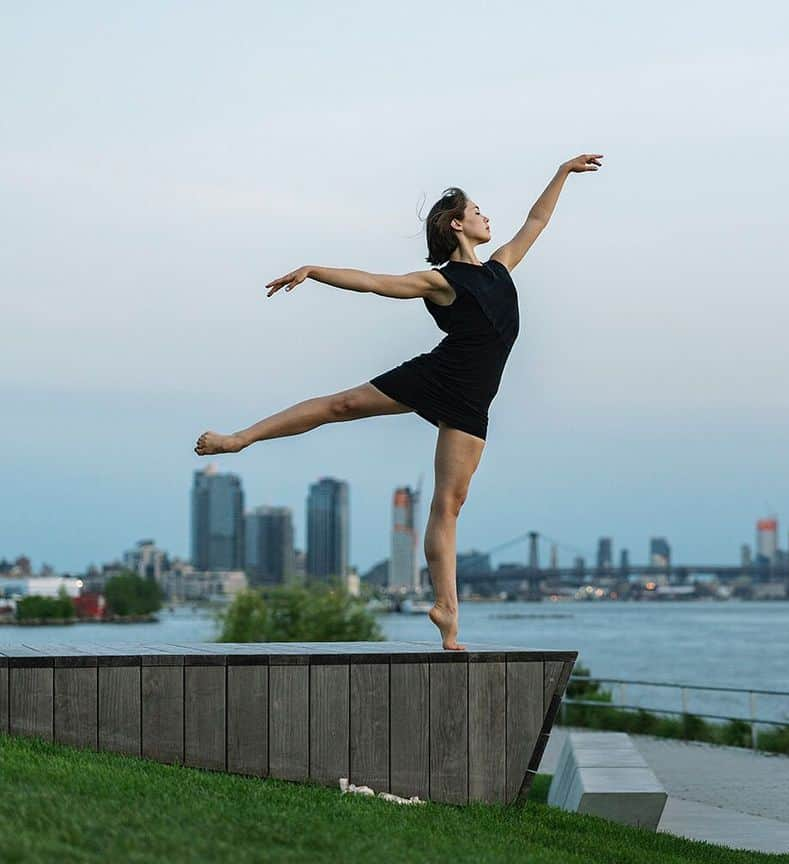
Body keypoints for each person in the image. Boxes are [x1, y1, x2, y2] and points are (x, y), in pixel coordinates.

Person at [194, 153, 604, 649]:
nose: (487, 217)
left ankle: (447, 614)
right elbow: (373, 283)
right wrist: (315, 270)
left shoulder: (501, 267)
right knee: (339, 406)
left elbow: (536, 220)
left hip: (473, 400)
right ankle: (239, 439)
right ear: (458, 224)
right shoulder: (441, 281)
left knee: (449, 505)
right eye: (478, 210)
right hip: (438, 376)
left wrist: (562, 172)